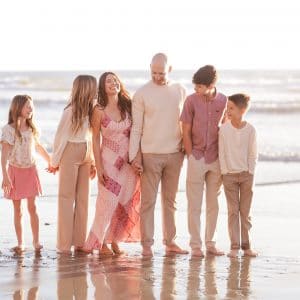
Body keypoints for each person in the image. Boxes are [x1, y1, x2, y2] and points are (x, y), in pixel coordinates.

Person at [129, 53, 188, 256]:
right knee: (148, 201)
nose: (157, 76)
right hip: (150, 154)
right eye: (153, 72)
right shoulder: (142, 93)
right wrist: (134, 155)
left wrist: (186, 144)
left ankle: (170, 242)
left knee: (170, 201)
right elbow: (136, 128)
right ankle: (147, 245)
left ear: (169, 69)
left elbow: (186, 121)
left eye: (161, 73)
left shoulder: (180, 90)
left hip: (175, 153)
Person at [83, 72, 141, 255]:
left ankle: (114, 240)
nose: (113, 83)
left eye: (115, 80)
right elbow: (94, 140)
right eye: (108, 81)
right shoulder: (98, 110)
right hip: (108, 163)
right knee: (106, 203)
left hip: (128, 165)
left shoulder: (128, 106)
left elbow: (137, 133)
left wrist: (137, 158)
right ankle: (100, 244)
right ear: (102, 86)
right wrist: (98, 167)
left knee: (124, 203)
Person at [180, 65, 227, 257]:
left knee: (213, 204)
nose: (196, 89)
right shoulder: (191, 101)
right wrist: (191, 154)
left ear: (211, 85)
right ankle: (196, 246)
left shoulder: (224, 100)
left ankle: (211, 243)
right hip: (197, 157)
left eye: (199, 86)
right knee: (194, 204)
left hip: (216, 158)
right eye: (195, 85)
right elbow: (185, 130)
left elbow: (225, 128)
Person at [51, 75, 97, 254]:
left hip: (85, 152)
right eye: (93, 88)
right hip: (71, 151)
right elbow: (60, 137)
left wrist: (92, 160)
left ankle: (78, 242)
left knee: (82, 199)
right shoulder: (70, 110)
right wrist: (55, 161)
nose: (96, 92)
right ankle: (64, 245)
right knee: (67, 198)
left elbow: (92, 137)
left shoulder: (92, 109)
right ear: (87, 89)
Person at [0, 95, 51, 253]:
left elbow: (39, 147)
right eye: (27, 106)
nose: (31, 109)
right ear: (18, 108)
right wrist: (5, 177)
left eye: (32, 106)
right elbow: (4, 155)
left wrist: (50, 161)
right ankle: (21, 243)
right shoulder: (8, 130)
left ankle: (36, 241)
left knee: (32, 207)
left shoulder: (32, 128)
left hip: (31, 170)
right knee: (18, 210)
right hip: (15, 171)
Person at [218, 93, 258, 257]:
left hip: (247, 176)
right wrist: (225, 172)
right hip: (229, 176)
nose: (228, 110)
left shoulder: (251, 130)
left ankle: (246, 246)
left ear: (242, 110)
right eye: (227, 107)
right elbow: (222, 152)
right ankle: (234, 246)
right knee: (233, 211)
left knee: (245, 212)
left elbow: (253, 153)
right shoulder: (224, 130)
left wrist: (250, 171)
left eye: (231, 108)